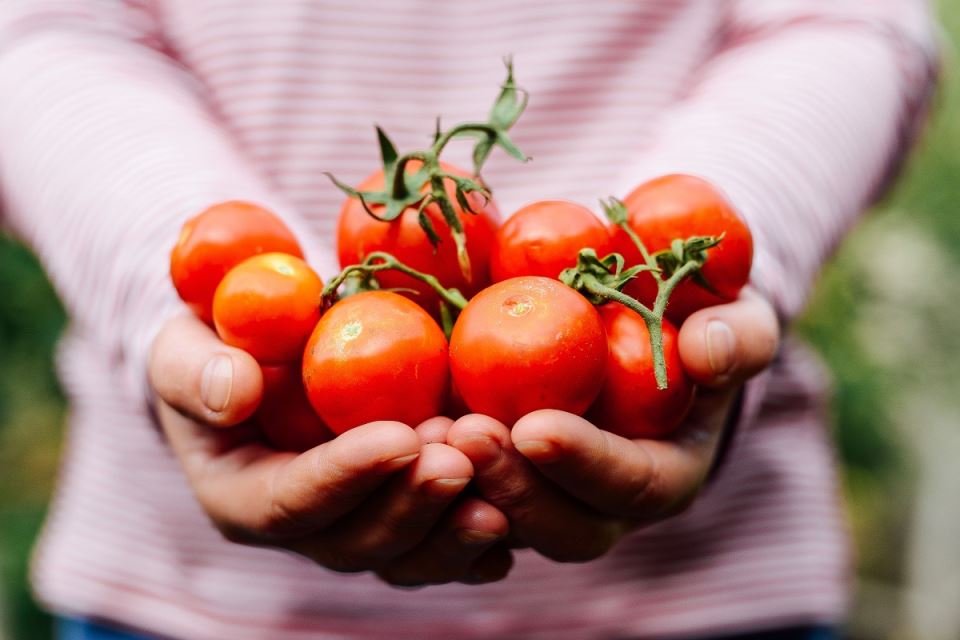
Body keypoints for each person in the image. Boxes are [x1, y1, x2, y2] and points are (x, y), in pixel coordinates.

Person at [0, 1, 938, 639]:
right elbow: (44, 28)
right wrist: (177, 298)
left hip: (708, 596)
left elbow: (850, 21)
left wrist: (696, 288)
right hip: (187, 604)